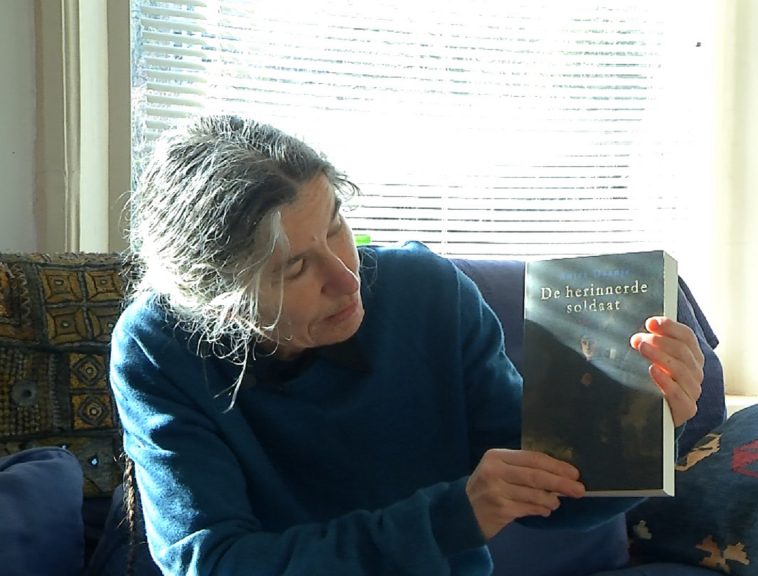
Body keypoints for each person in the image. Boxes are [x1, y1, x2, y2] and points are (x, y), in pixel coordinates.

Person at [103, 115, 705, 575]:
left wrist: (638, 425)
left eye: (337, 226)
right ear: (216, 301)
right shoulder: (157, 346)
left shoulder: (427, 290)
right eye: (295, 268)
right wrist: (449, 520)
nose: (347, 278)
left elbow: (554, 494)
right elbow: (214, 562)